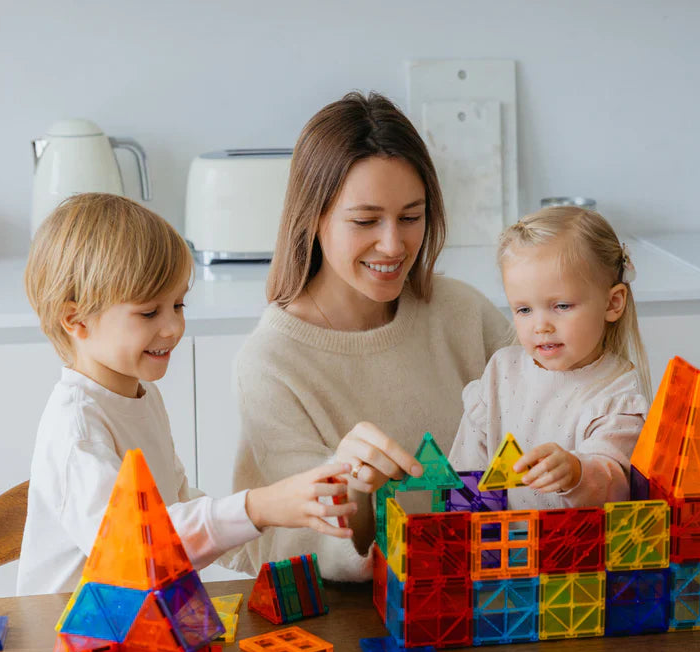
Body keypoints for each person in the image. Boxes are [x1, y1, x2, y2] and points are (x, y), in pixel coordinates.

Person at [220, 91, 513, 582]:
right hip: (361, 623)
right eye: (365, 221)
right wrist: (353, 490)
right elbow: (296, 551)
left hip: (492, 591)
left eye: (411, 217)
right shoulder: (270, 363)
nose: (394, 245)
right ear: (313, 219)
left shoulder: (462, 311)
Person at [17, 193, 356, 596]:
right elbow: (138, 549)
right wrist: (257, 507)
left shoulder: (140, 396)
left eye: (178, 305)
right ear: (76, 320)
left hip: (138, 621)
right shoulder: (77, 429)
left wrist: (274, 523)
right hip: (66, 640)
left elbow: (177, 504)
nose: (173, 327)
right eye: (149, 312)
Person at [449, 206, 651, 509]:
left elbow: (614, 483)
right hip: (502, 550)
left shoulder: (616, 395)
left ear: (613, 303)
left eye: (562, 306)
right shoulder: (501, 372)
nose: (540, 326)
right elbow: (465, 473)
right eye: (524, 310)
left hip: (578, 552)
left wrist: (576, 472)